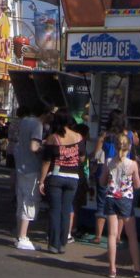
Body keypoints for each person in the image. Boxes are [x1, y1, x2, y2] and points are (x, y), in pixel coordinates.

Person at [38, 109, 85, 254]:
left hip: (56, 177)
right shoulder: (78, 137)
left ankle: (53, 244)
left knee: (55, 210)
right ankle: (63, 243)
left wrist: (41, 181)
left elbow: (46, 161)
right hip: (73, 178)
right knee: (66, 210)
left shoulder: (53, 138)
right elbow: (82, 158)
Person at [90, 109, 138, 243]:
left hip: (106, 171)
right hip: (124, 172)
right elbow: (136, 143)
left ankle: (99, 235)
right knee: (122, 205)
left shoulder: (105, 136)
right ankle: (117, 236)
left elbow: (97, 155)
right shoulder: (129, 135)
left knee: (101, 203)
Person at [101, 132, 140, 278]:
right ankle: (137, 267)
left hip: (111, 197)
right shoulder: (132, 164)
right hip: (126, 199)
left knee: (112, 235)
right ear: (129, 147)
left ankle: (112, 268)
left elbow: (102, 181)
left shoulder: (109, 162)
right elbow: (137, 185)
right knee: (131, 235)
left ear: (115, 146)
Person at [12, 105, 43, 251]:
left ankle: (19, 234)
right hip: (32, 166)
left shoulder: (23, 121)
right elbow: (34, 146)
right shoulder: (38, 124)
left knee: (21, 198)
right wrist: (44, 147)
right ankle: (23, 236)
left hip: (21, 164)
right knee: (29, 200)